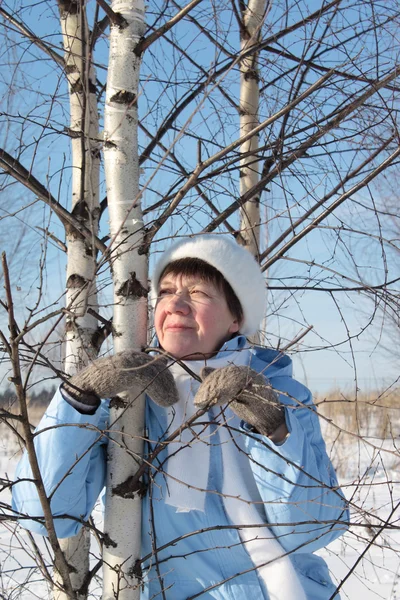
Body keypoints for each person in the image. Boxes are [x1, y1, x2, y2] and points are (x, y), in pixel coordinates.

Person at [13, 234, 349, 599]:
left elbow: (315, 528)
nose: (176, 304)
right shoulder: (128, 401)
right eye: (167, 291)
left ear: (236, 318)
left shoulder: (281, 391)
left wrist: (274, 427)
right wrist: (79, 398)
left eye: (198, 293)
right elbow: (45, 512)